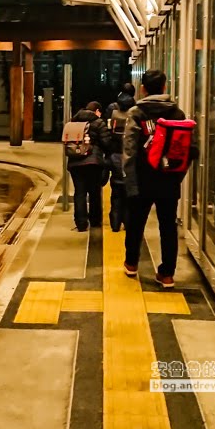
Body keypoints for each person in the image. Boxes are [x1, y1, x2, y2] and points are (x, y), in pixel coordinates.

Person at [122, 69, 196, 287]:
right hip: (169, 179)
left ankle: (131, 264)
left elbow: (129, 150)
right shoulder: (178, 114)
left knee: (136, 223)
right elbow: (187, 149)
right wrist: (178, 177)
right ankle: (167, 274)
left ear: (143, 88)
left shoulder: (137, 113)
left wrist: (129, 179)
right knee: (168, 226)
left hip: (143, 178)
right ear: (164, 87)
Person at [65, 101, 112, 232]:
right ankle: (95, 221)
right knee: (94, 192)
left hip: (75, 163)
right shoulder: (99, 123)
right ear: (97, 111)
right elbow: (106, 143)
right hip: (93, 163)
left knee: (79, 192)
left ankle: (81, 223)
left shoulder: (73, 122)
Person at [107, 88, 135, 231]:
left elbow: (109, 135)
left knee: (116, 196)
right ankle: (128, 223)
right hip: (130, 160)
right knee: (129, 199)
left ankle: (115, 224)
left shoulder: (113, 114)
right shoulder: (135, 116)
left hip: (116, 156)